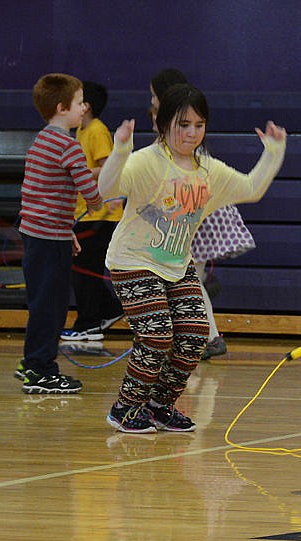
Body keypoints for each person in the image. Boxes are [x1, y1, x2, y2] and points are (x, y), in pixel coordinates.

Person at [99, 84, 286, 433]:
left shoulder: (208, 170)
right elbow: (106, 189)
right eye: (183, 124)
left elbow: (251, 189)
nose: (191, 133)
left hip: (176, 264)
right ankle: (125, 407)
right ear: (163, 124)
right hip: (133, 261)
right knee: (157, 336)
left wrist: (274, 151)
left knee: (196, 334)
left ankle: (159, 405)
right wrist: (121, 149)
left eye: (198, 125)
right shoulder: (146, 161)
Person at [150, 68, 255, 360]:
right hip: (195, 207)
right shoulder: (182, 120)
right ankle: (200, 336)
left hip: (194, 210)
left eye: (154, 95)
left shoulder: (175, 125)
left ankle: (207, 336)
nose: (152, 100)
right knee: (186, 278)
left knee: (188, 279)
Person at [15, 73, 104, 394]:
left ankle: (32, 362)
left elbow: (40, 194)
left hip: (41, 235)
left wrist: (67, 231)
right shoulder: (69, 145)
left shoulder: (42, 140)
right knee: (51, 307)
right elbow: (90, 193)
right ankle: (41, 370)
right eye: (80, 103)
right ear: (62, 107)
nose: (85, 108)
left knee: (42, 303)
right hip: (49, 240)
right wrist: (105, 198)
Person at [60, 80, 125, 342]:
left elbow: (109, 166)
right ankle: (108, 310)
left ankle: (89, 323)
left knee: (84, 271)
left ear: (85, 106)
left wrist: (79, 171)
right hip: (84, 213)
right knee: (83, 269)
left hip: (100, 216)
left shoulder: (97, 130)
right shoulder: (81, 132)